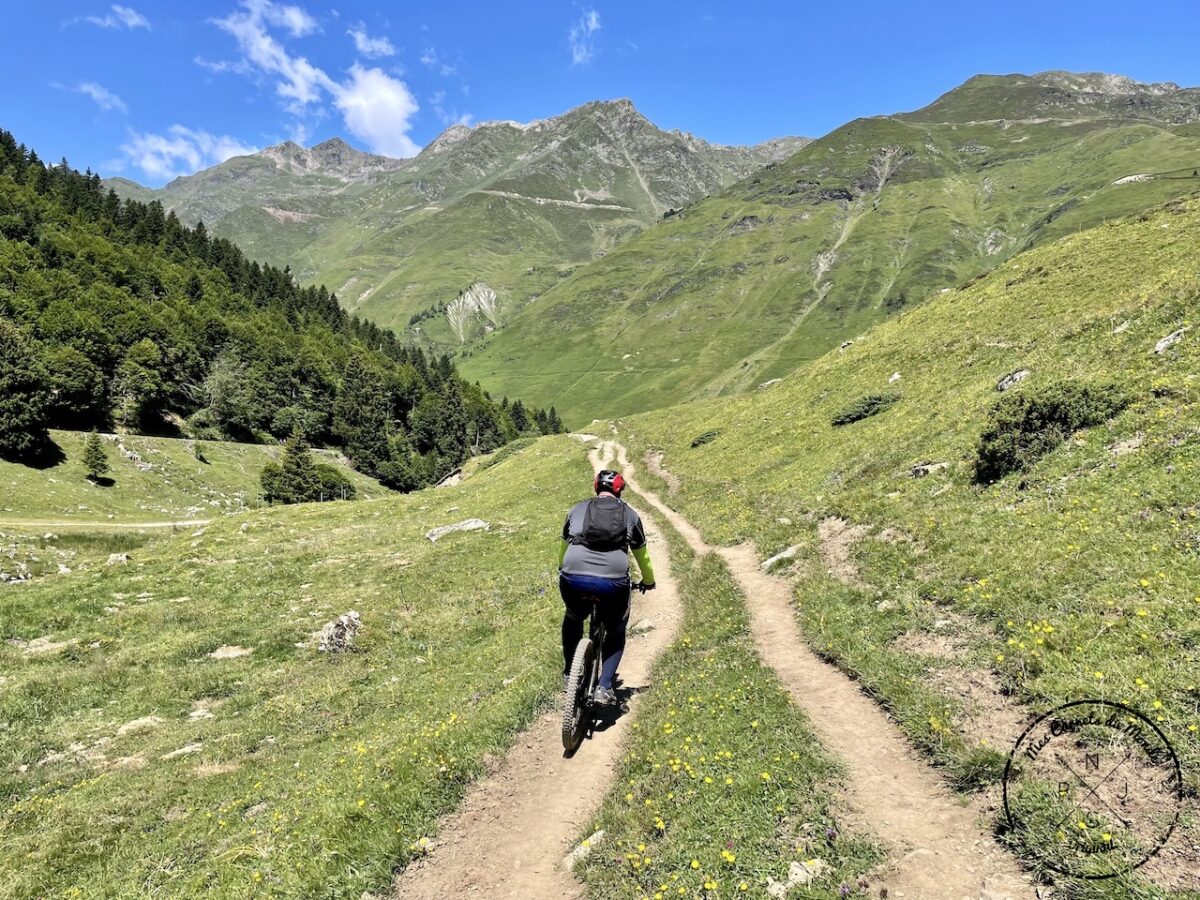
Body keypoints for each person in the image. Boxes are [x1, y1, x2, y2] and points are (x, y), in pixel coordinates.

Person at [558, 469, 655, 704]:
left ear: (595, 488)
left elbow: (563, 548)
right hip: (612, 584)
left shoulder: (576, 509)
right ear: (619, 491)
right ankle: (604, 686)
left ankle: (571, 672)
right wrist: (649, 580)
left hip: (573, 578)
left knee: (573, 617)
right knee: (616, 629)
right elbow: (642, 555)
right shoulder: (630, 515)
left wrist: (563, 569)